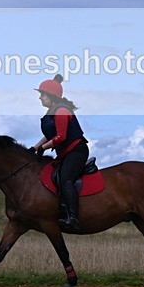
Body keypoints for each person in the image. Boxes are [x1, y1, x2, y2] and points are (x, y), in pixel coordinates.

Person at [31, 74, 89, 232]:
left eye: (42, 95)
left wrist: (42, 149)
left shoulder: (62, 110)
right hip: (65, 153)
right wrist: (35, 148)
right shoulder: (52, 111)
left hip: (76, 151)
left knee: (65, 180)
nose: (40, 98)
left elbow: (60, 137)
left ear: (51, 95)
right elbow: (50, 136)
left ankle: (73, 217)